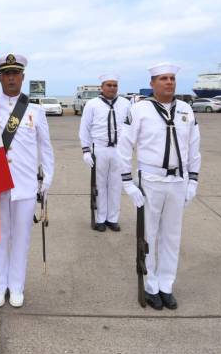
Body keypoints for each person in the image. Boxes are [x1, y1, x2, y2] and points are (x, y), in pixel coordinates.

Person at [118, 63, 201, 310]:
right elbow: (125, 147)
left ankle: (167, 285)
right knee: (149, 235)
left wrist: (193, 180)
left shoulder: (186, 109)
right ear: (153, 83)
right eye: (163, 79)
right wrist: (128, 183)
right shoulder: (139, 109)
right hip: (150, 181)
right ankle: (151, 285)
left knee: (172, 237)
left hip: (178, 181)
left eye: (172, 78)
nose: (169, 83)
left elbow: (194, 147)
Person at [0, 53, 54, 308]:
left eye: (16, 73)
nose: (11, 78)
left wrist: (47, 179)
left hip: (25, 186)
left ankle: (16, 286)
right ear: (0, 77)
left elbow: (45, 148)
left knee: (21, 239)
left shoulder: (35, 111)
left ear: (23, 77)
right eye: (6, 74)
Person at [79, 73, 130, 232]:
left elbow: (130, 128)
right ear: (102, 87)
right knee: (99, 185)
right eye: (109, 85)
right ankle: (100, 218)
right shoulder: (92, 104)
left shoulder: (126, 103)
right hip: (99, 149)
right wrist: (86, 150)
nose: (112, 88)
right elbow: (84, 128)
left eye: (115, 85)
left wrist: (129, 148)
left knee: (116, 185)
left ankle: (112, 218)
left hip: (119, 150)